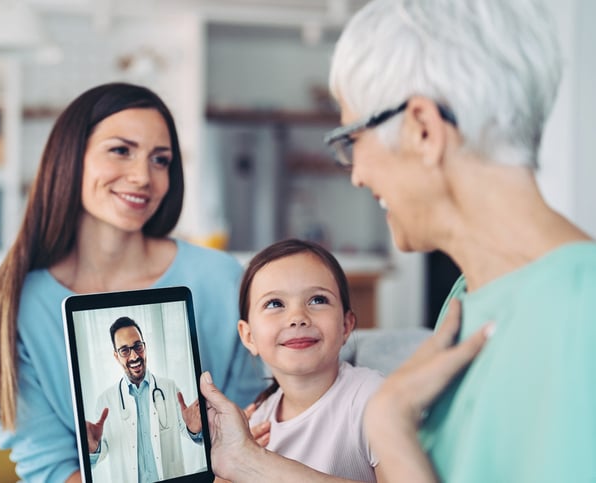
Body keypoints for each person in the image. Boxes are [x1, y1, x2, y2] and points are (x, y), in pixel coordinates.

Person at [201, 0, 596, 482]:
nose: (358, 176)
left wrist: (388, 423)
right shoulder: (472, 295)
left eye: (353, 141)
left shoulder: (580, 312)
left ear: (424, 130)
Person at [0, 82, 265, 483]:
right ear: (71, 158)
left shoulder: (222, 278)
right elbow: (48, 467)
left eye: (160, 160)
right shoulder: (18, 307)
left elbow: (260, 418)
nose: (143, 176)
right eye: (120, 150)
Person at [238, 239, 383, 481]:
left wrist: (257, 464)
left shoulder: (372, 399)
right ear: (249, 336)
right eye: (275, 303)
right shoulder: (259, 423)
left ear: (346, 325)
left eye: (318, 300)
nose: (297, 318)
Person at [86, 316, 202, 482]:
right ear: (116, 356)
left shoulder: (169, 388)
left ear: (145, 347)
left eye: (138, 347)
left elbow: (187, 429)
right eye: (125, 350)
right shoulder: (105, 401)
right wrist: (94, 448)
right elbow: (102, 450)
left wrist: (193, 429)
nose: (134, 356)